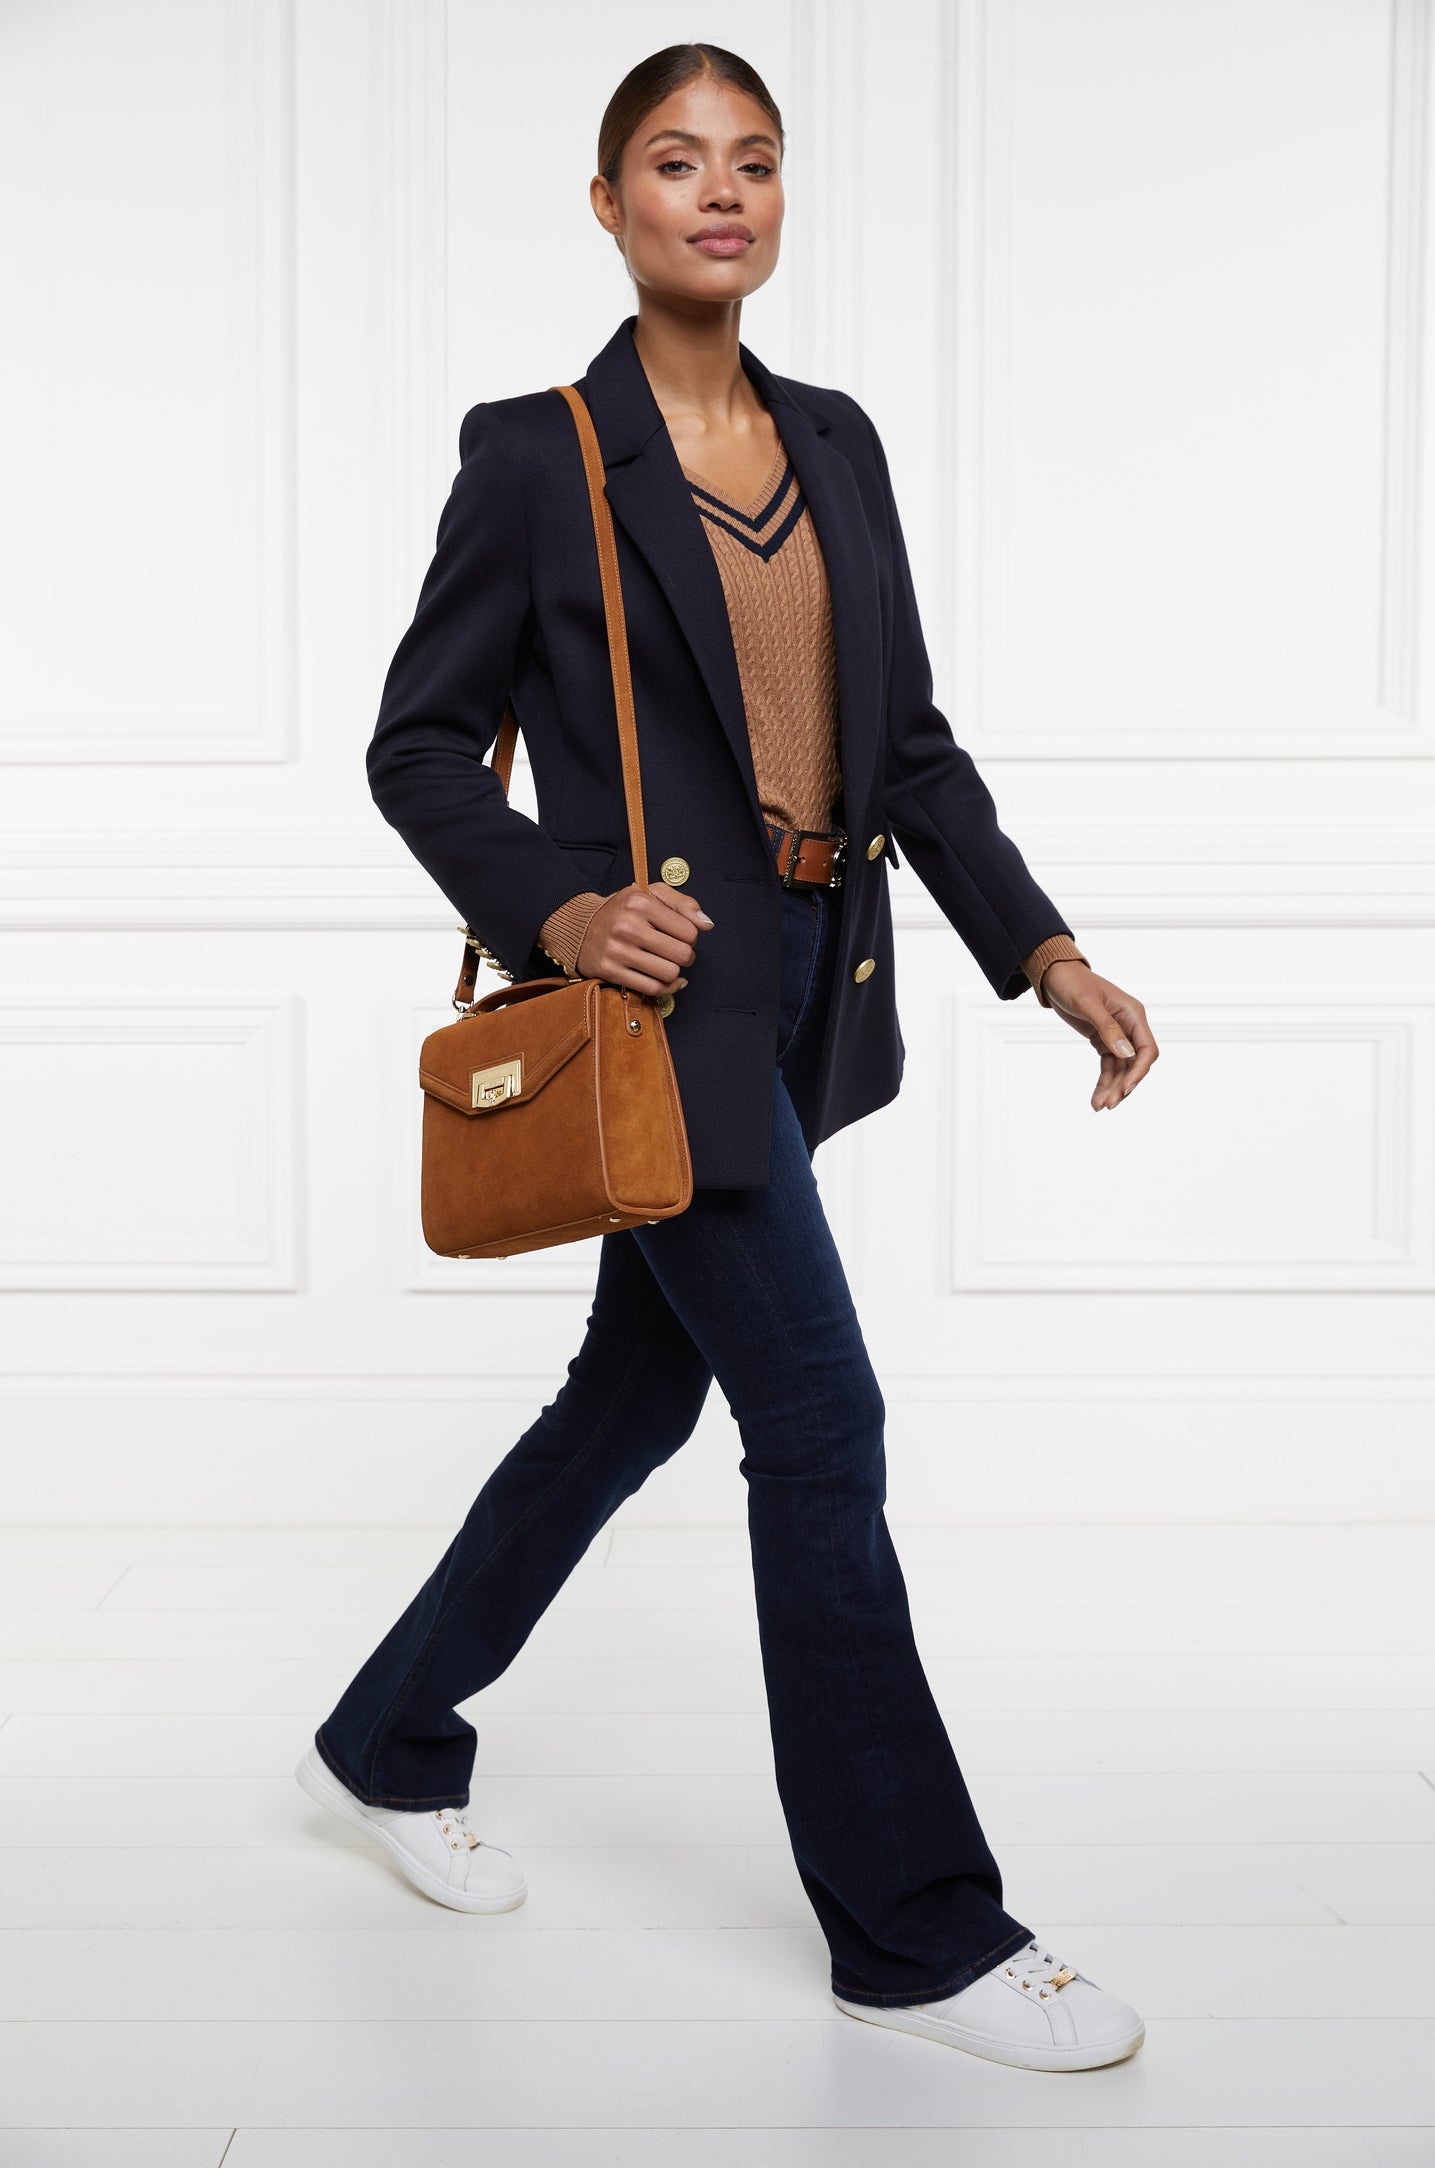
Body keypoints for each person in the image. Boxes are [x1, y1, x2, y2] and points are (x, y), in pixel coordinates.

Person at [296, 42, 1159, 2073]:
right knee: (823, 1423)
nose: (720, 192)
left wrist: (1040, 948)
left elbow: (905, 749)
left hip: (807, 992)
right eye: (676, 162)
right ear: (610, 205)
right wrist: (562, 908)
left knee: (632, 1395)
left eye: (754, 161)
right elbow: (418, 748)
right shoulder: (538, 456)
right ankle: (915, 1929)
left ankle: (389, 1731)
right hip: (660, 1011)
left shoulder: (835, 442)